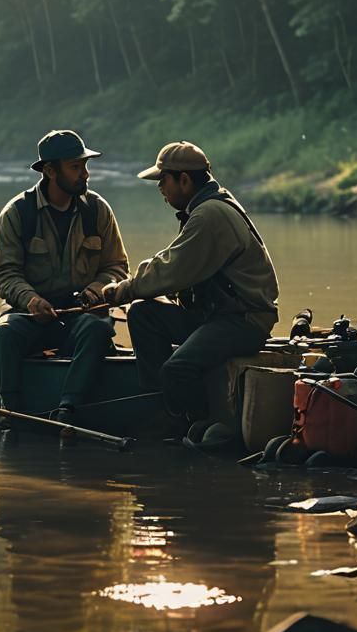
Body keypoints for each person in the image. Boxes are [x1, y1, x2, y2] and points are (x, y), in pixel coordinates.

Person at [102, 141, 279, 427]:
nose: (160, 188)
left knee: (177, 369)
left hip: (242, 321)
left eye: (163, 180)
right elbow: (180, 271)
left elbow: (170, 269)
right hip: (216, 316)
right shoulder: (205, 207)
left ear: (184, 180)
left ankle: (193, 426)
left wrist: (121, 290)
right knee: (142, 313)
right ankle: (159, 404)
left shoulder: (210, 214)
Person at [0, 129, 129, 425]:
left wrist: (95, 290)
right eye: (76, 167)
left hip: (82, 314)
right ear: (50, 171)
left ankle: (69, 410)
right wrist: (30, 300)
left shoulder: (98, 210)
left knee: (97, 330)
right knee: (4, 335)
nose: (85, 174)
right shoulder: (17, 213)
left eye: (85, 166)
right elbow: (5, 273)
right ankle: (11, 413)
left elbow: (117, 266)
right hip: (28, 314)